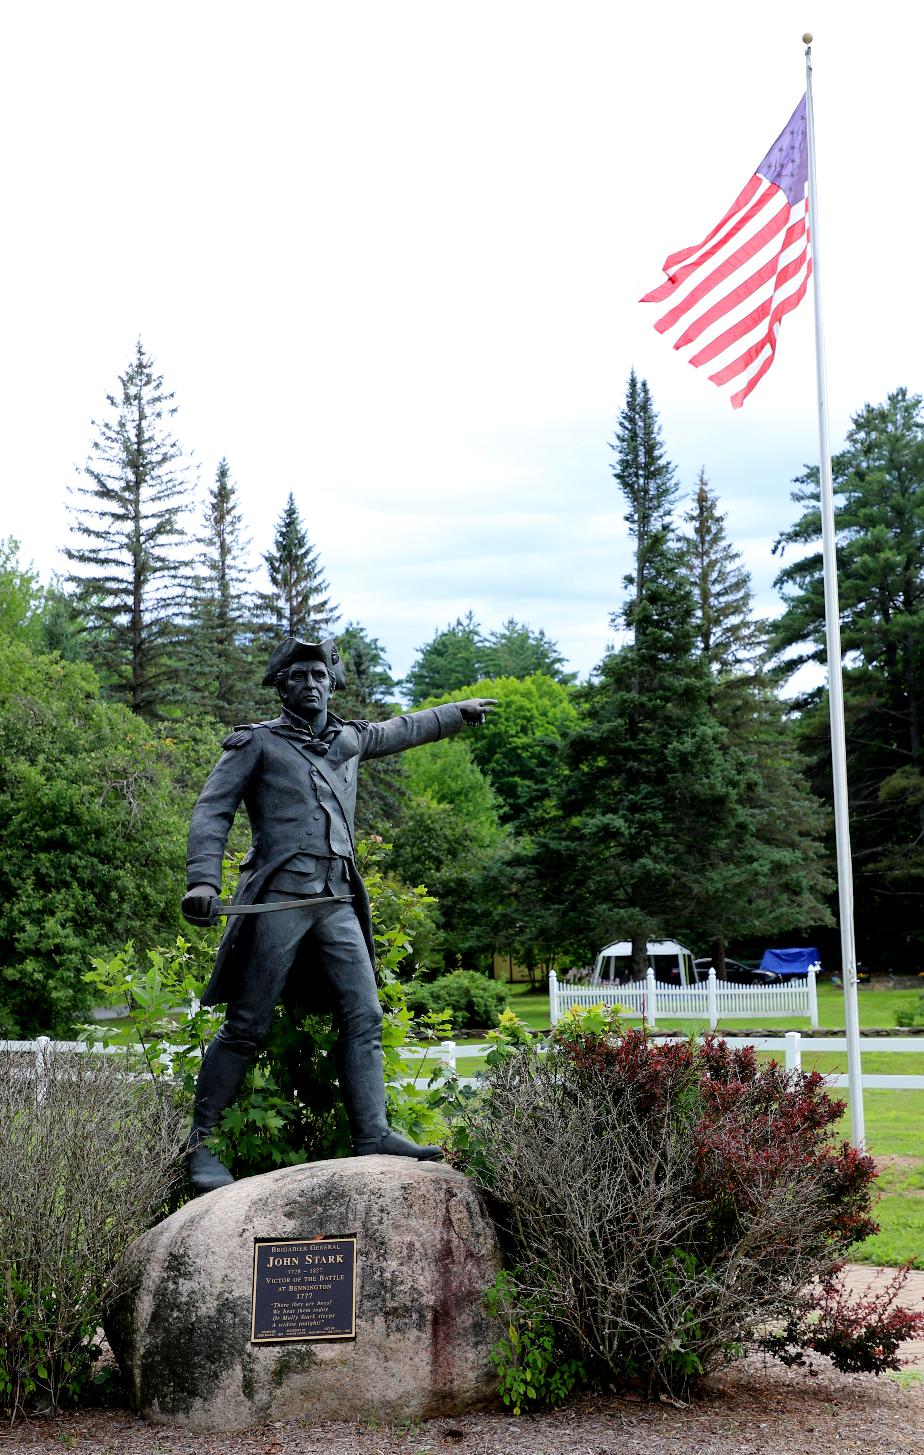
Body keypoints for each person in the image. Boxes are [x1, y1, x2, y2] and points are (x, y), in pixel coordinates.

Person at [181, 635, 496, 1195]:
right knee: (247, 1025)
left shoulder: (346, 739)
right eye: (298, 677)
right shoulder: (256, 743)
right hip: (279, 899)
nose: (310, 685)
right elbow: (212, 811)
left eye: (319, 676)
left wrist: (455, 713)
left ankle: (372, 1133)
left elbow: (401, 730)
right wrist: (203, 880)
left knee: (364, 1016)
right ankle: (201, 1144)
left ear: (331, 683)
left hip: (337, 903)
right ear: (282, 686)